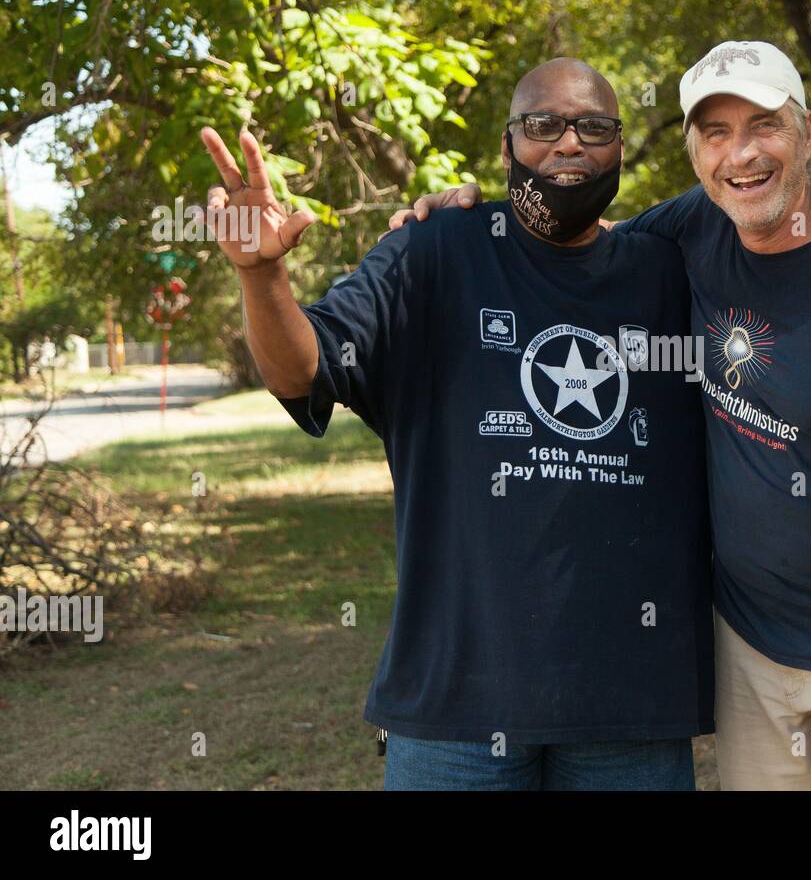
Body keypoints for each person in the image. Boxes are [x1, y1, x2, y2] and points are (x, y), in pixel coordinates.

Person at [397, 40, 811, 790]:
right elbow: (572, 239)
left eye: (765, 125)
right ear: (695, 153)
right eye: (716, 132)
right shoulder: (694, 228)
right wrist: (469, 221)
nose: (742, 154)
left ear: (807, 136)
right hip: (745, 644)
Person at [200, 58, 731, 790]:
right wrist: (261, 276)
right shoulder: (435, 252)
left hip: (630, 710)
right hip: (455, 708)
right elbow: (305, 368)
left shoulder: (671, 271)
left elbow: (784, 254)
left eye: (594, 127)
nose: (568, 143)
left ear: (619, 147)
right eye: (542, 125)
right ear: (507, 147)